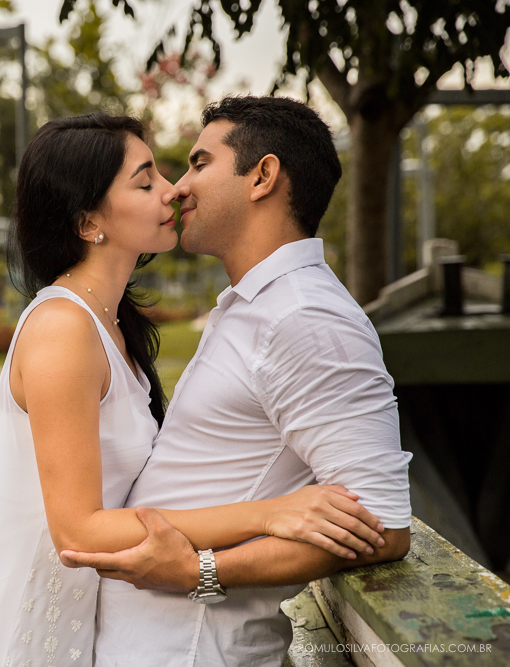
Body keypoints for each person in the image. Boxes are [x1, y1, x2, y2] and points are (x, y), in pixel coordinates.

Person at [0, 112, 387, 667]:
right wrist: (268, 514)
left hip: (80, 627)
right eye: (146, 182)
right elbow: (77, 529)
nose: (173, 190)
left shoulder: (113, 326)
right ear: (89, 222)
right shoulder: (62, 329)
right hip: (14, 630)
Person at [60, 96, 413, 666]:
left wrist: (200, 571)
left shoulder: (306, 318)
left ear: (262, 177)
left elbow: (385, 525)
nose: (178, 188)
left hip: (192, 650)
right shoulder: (253, 305)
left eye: (200, 163)